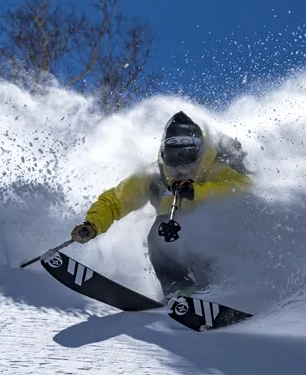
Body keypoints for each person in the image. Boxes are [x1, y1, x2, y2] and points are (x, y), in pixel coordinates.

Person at [70, 111, 252, 298]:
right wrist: (92, 225)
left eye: (188, 157)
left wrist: (196, 192)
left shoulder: (217, 167)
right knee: (159, 234)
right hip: (179, 234)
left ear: (200, 154)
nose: (180, 167)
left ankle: (224, 285)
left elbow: (246, 187)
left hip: (226, 233)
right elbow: (114, 201)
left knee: (206, 233)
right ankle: (179, 288)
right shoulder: (154, 176)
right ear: (164, 155)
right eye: (173, 158)